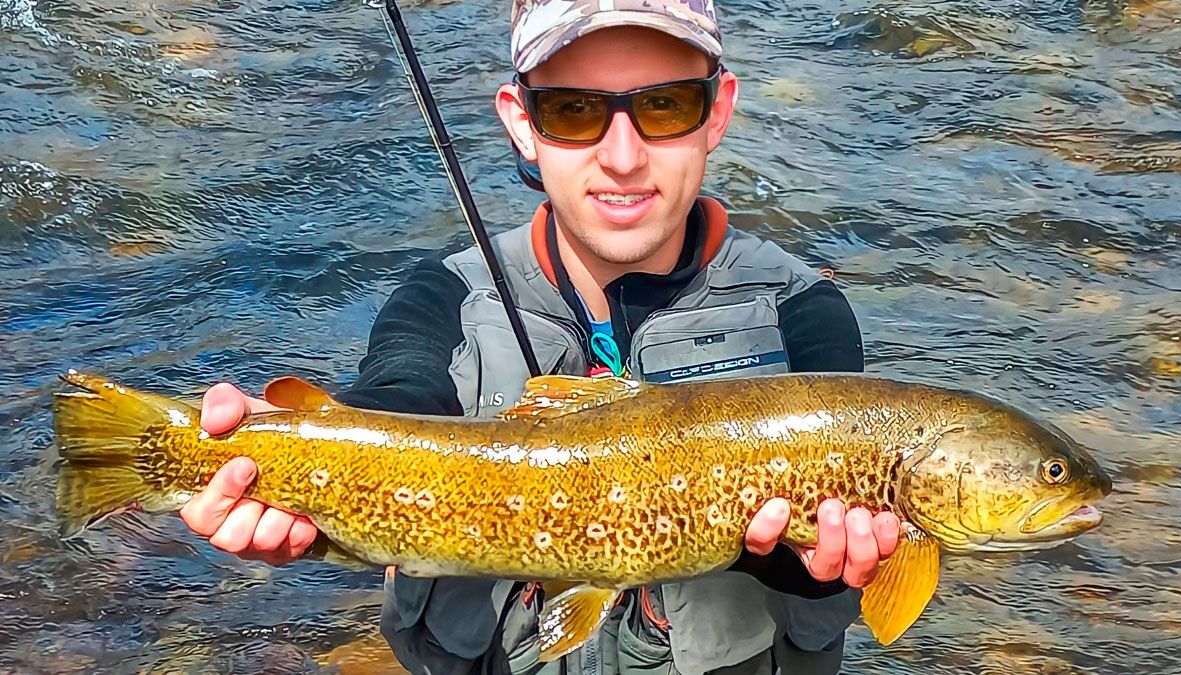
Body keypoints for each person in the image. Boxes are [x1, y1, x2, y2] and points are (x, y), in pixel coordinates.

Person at [179, 1, 902, 672]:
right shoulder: (445, 300)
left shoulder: (801, 311)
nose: (623, 156)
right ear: (521, 121)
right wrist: (278, 459)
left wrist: (804, 561)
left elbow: (821, 544)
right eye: (574, 110)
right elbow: (397, 399)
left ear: (718, 111)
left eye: (663, 104)